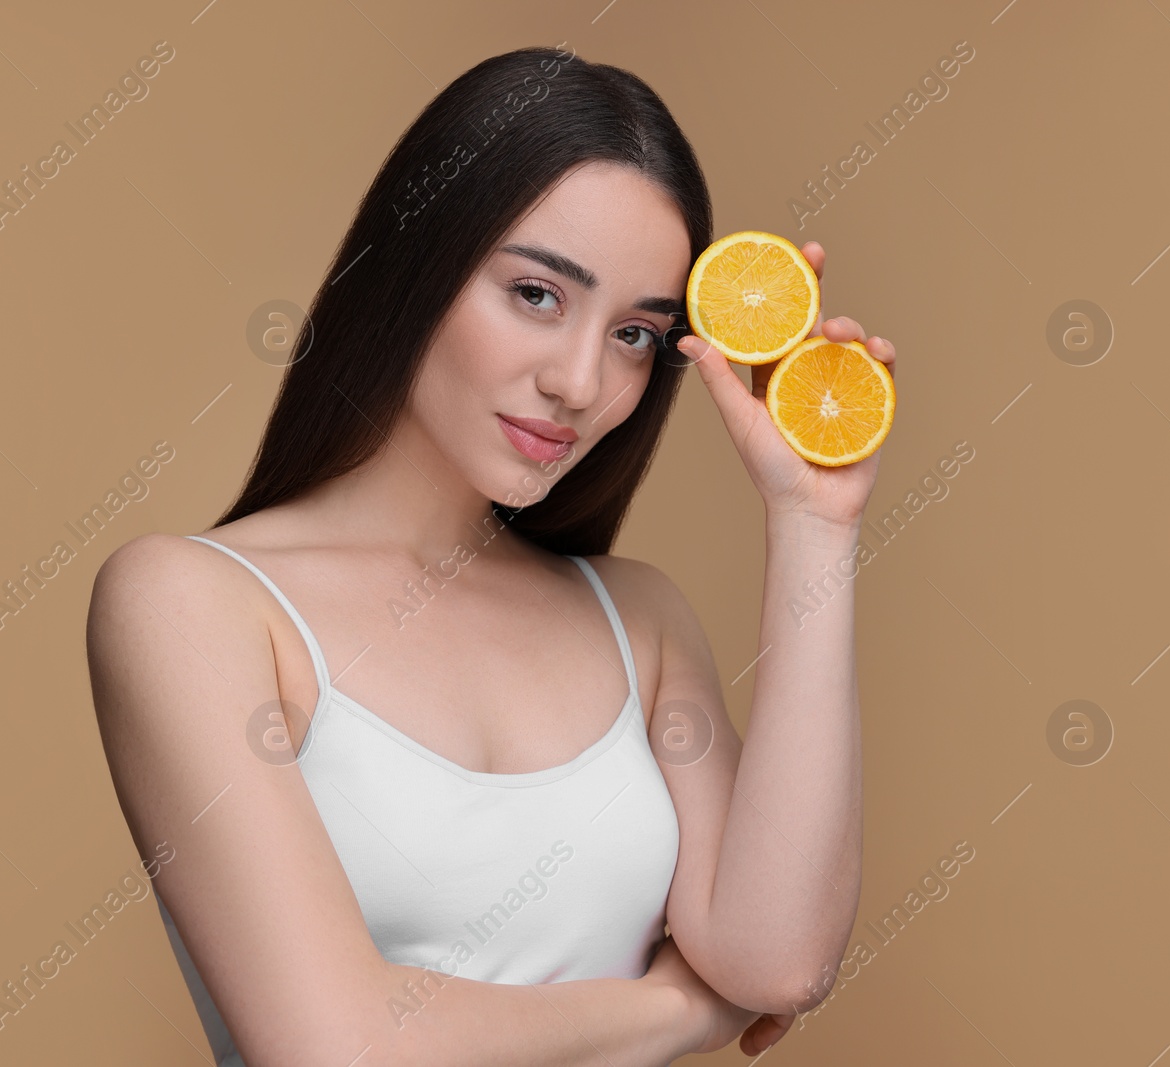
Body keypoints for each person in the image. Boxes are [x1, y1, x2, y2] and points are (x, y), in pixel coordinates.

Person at [86, 42, 892, 1066]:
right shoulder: (189, 604)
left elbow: (776, 960)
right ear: (419, 261)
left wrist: (813, 523)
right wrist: (681, 1010)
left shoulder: (638, 619)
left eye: (636, 335)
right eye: (538, 295)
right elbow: (336, 1047)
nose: (580, 382)